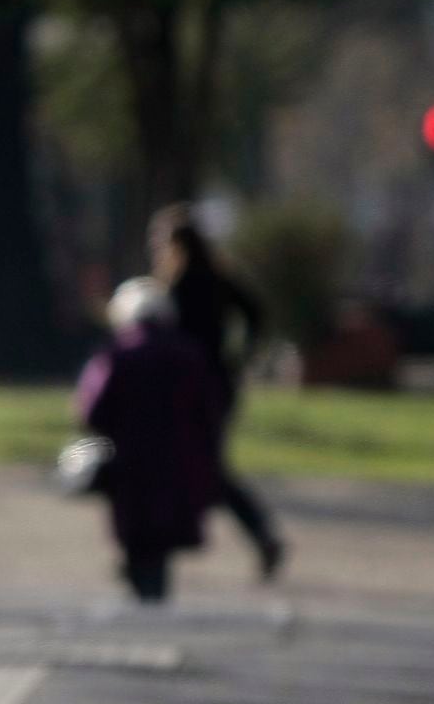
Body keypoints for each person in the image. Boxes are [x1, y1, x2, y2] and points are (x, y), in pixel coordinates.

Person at [149, 204, 286, 579]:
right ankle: (161, 549)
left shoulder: (177, 284)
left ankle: (156, 551)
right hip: (218, 382)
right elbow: (256, 313)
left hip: (188, 386)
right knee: (199, 465)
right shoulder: (218, 277)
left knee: (196, 467)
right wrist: (240, 358)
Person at [75, 278, 225, 603]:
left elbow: (92, 411)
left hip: (130, 464)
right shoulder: (190, 355)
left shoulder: (116, 355)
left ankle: (139, 587)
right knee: (161, 541)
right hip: (179, 463)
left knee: (137, 536)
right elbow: (209, 412)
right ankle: (152, 595)